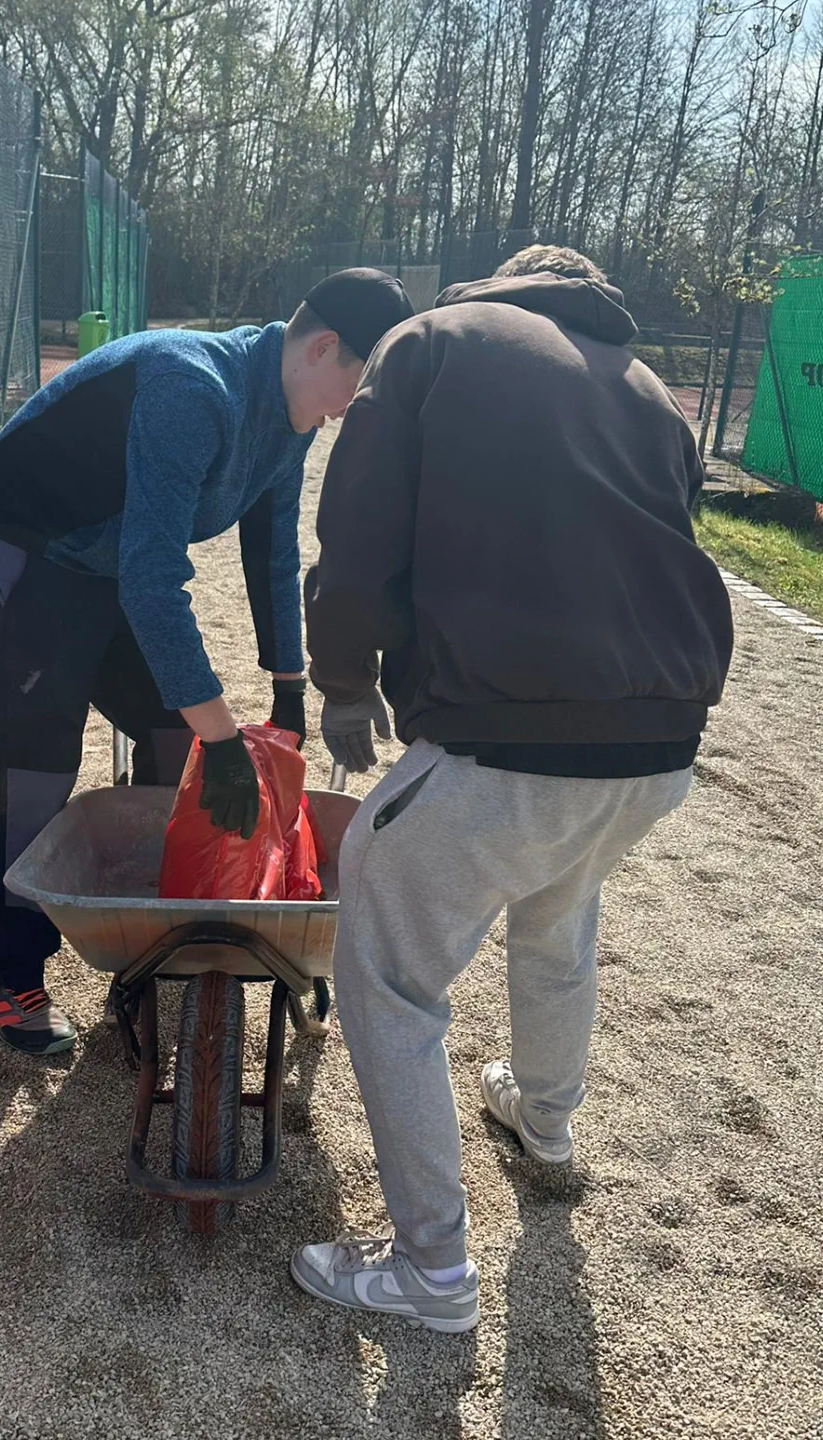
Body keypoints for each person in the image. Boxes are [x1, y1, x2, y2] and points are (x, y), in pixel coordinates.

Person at [291, 245, 734, 1332]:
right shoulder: (649, 389)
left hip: (506, 726)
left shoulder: (433, 341)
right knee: (557, 913)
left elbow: (356, 531)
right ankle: (544, 1123)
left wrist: (342, 681)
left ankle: (431, 1268)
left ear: (500, 285)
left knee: (388, 970)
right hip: (660, 742)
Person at [0, 269, 414, 1055]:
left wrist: (287, 682)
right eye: (359, 383)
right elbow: (153, 580)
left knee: (174, 739)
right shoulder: (192, 389)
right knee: (41, 759)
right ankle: (6, 971)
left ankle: (160, 926)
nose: (350, 408)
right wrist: (224, 736)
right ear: (323, 347)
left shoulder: (292, 417)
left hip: (114, 560)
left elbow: (273, 554)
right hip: (39, 546)